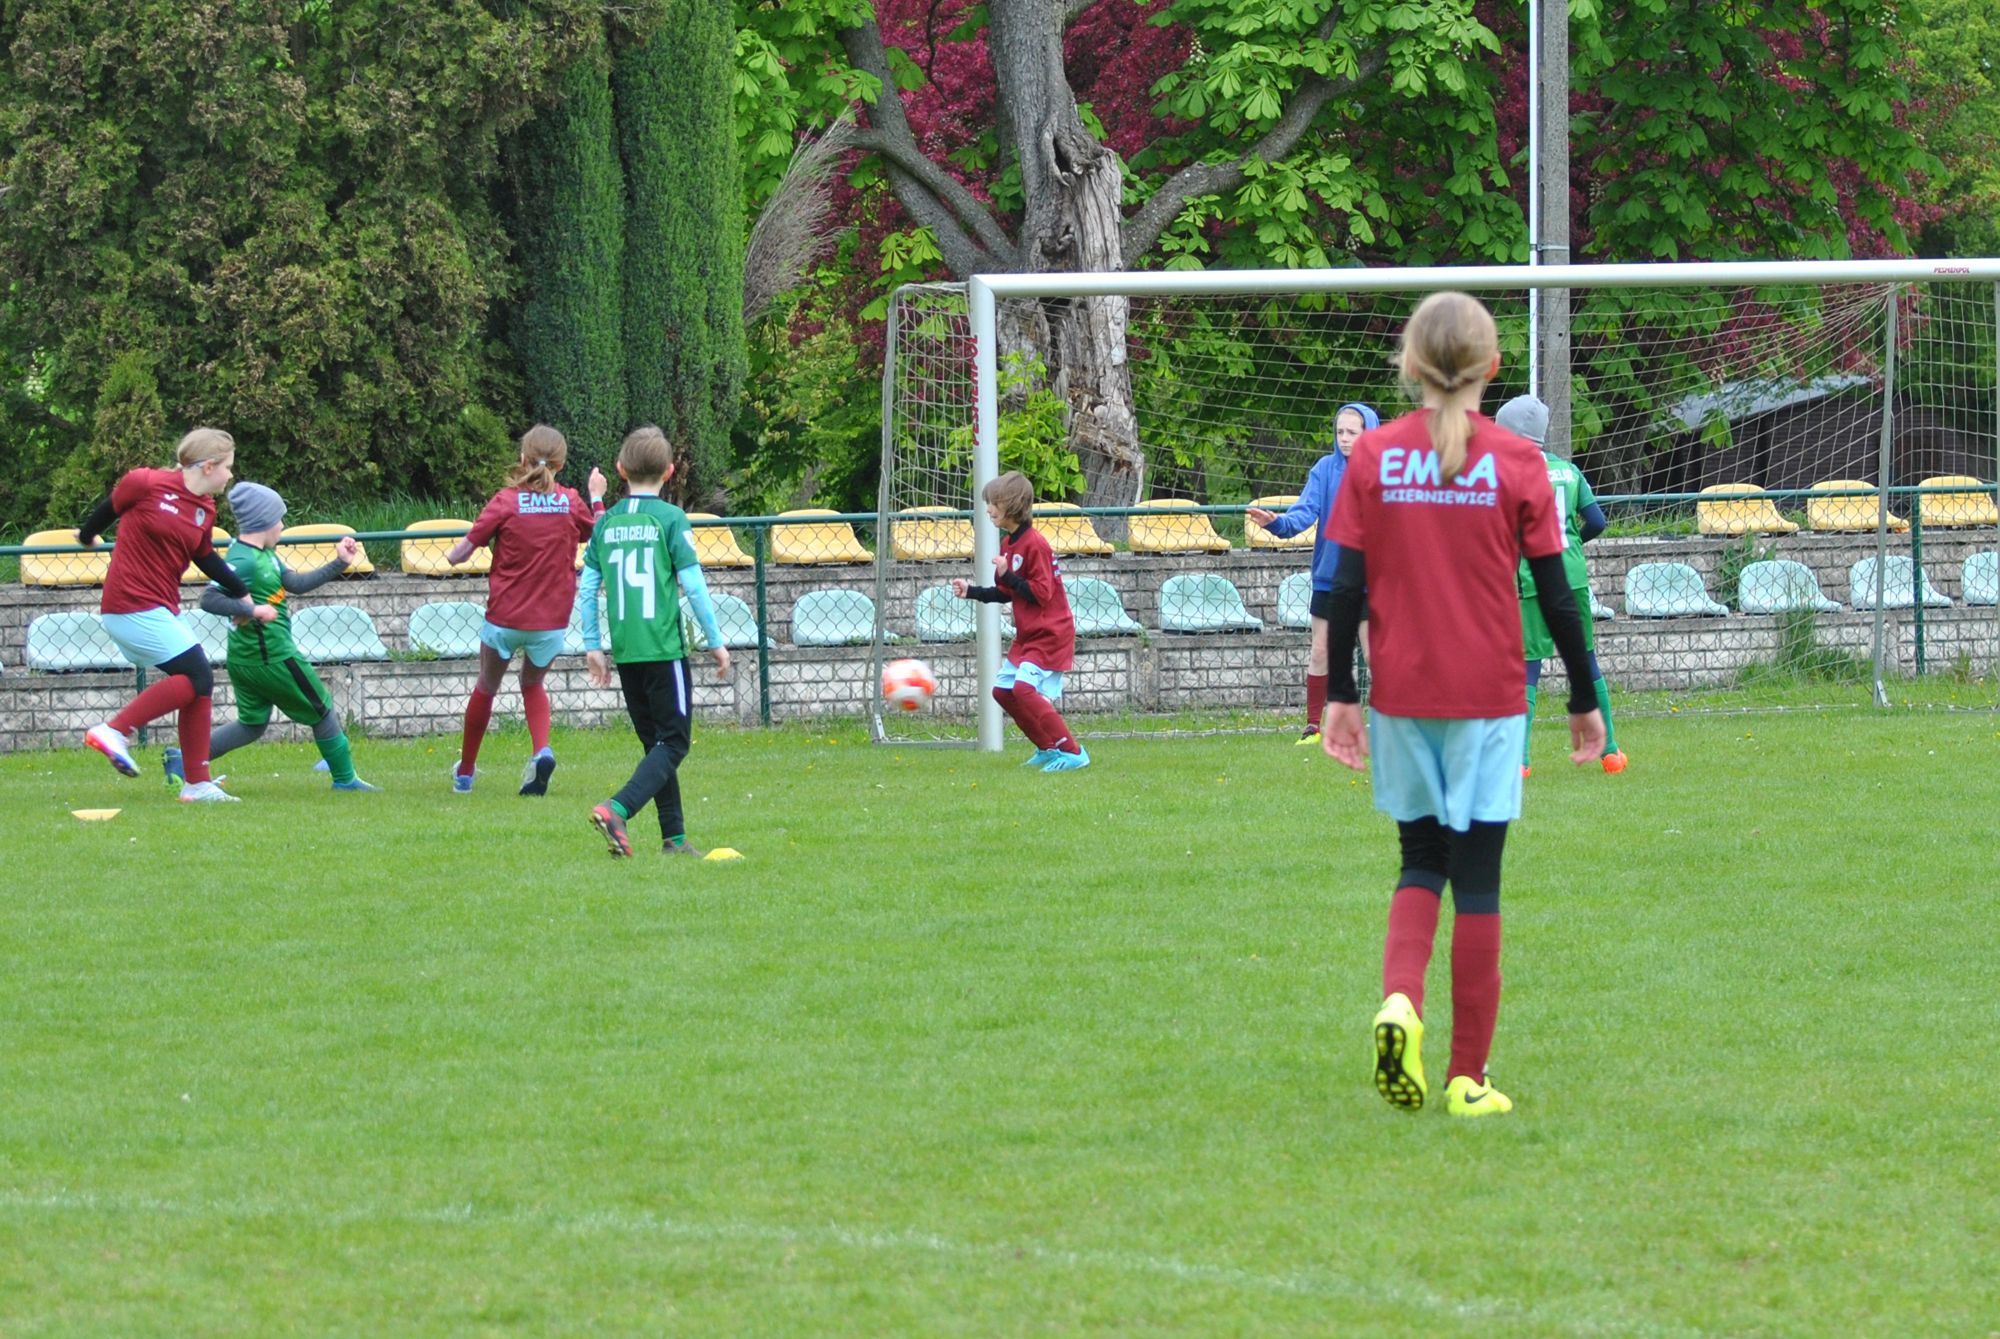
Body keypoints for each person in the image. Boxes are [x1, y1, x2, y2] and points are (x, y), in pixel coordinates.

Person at [1319, 292, 1606, 1118]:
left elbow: (1343, 586)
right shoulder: (1516, 461)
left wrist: (1341, 692)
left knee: (1419, 860)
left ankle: (1400, 1002)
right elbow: (1557, 596)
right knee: (1478, 878)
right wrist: (1583, 697)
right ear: (1491, 368)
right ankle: (1466, 1079)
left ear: (1409, 368)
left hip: (1401, 694)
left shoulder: (1372, 454)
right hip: (1489, 693)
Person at [75, 427, 260, 802]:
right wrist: (86, 536)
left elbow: (204, 556)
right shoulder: (145, 483)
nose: (230, 476)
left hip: (159, 607)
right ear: (208, 466)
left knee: (200, 684)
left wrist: (243, 595)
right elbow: (108, 510)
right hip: (128, 603)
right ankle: (115, 730)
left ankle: (196, 784)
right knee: (197, 675)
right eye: (227, 468)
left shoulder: (204, 509)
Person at [579, 426, 730, 857]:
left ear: (620, 470)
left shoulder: (606, 523)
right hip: (663, 650)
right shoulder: (670, 519)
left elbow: (587, 589)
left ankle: (675, 839)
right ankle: (617, 809)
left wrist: (594, 646)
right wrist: (715, 642)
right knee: (675, 742)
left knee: (657, 745)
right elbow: (695, 588)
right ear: (669, 472)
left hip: (627, 652)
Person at [443, 425, 607, 796]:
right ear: (561, 464)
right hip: (550, 621)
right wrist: (597, 498)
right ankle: (541, 751)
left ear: (522, 458)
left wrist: (464, 550)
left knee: (487, 686)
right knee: (532, 683)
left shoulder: (506, 500)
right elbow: (600, 533)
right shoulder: (570, 501)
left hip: (505, 617)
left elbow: (460, 553)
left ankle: (465, 773)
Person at [197, 482, 377, 792]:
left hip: (246, 659)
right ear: (263, 521)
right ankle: (345, 780)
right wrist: (251, 610)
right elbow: (208, 599)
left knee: (252, 724)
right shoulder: (245, 561)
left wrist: (340, 563)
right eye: (279, 518)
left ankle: (184, 760)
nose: (282, 525)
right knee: (321, 709)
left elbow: (295, 583)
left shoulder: (264, 555)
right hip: (273, 657)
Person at [1495, 395, 1627, 776]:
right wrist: (1569, 545)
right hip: (1573, 578)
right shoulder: (1569, 472)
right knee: (1585, 661)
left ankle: (1518, 761)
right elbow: (1597, 521)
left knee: (1527, 667)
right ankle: (1612, 753)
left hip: (1533, 579)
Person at [1247, 401, 1380, 742]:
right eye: (1340, 432)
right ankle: (1312, 726)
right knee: (1320, 650)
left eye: (1353, 432)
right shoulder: (1324, 470)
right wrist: (1277, 524)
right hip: (1330, 578)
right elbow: (1302, 515)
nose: (1345, 439)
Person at [952, 471, 1087, 772]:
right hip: (1028, 634)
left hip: (1050, 632)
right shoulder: (1008, 543)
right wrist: (971, 591)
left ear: (1011, 505)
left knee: (1024, 690)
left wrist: (1007, 575)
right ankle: (1048, 749)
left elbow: (1041, 593)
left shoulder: (1035, 544)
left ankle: (1074, 752)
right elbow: (1006, 593)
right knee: (1002, 691)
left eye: (994, 503)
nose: (988, 509)